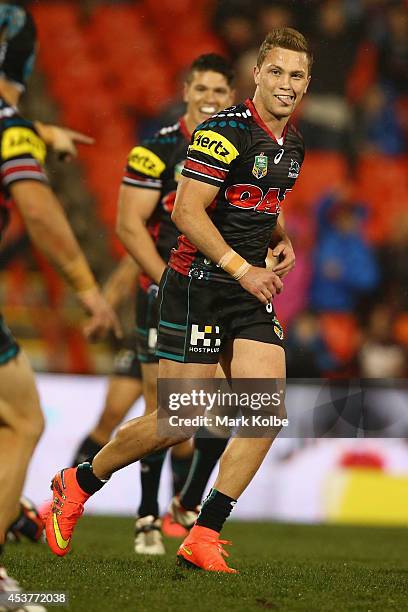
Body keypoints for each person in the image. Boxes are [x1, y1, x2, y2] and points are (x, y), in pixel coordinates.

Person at [46, 27, 310, 573]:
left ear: (307, 84)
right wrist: (244, 269)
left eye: (298, 75)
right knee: (176, 421)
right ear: (257, 74)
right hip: (197, 287)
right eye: (278, 72)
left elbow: (260, 205)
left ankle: (204, 531)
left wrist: (280, 241)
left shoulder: (293, 144)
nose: (287, 84)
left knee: (266, 412)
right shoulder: (222, 132)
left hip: (244, 289)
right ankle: (79, 481)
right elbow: (186, 212)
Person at [0, 3, 119, 600]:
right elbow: (41, 211)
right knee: (24, 419)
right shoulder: (6, 121)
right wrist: (87, 288)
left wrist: (42, 133)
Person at [115, 53, 235, 553]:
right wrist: (163, 279)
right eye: (201, 88)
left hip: (219, 294)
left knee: (233, 403)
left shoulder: (238, 147)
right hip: (169, 292)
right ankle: (147, 517)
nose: (210, 98)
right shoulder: (156, 149)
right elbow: (129, 225)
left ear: (231, 97)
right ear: (186, 90)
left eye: (220, 91)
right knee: (164, 411)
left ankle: (184, 503)